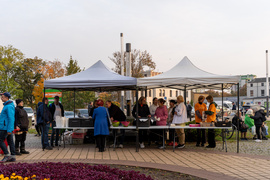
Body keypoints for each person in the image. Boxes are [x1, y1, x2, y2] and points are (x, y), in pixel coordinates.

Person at [0, 92, 16, 162]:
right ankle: (12, 156)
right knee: (10, 141)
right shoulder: (7, 105)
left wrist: (9, 129)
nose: (1, 98)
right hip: (6, 127)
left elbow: (11, 118)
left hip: (5, 128)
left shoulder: (8, 106)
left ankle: (7, 155)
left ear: (6, 98)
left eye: (2, 97)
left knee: (0, 140)